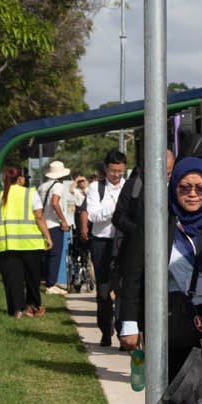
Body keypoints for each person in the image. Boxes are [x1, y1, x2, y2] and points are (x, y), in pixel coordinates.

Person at [118, 156, 202, 404]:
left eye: (200, 188)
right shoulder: (156, 220)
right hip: (171, 323)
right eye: (184, 187)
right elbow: (133, 273)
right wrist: (128, 323)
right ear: (173, 187)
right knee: (178, 403)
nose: (192, 194)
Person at [113, 148, 175, 351]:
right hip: (136, 251)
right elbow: (118, 217)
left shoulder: (178, 189)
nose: (166, 177)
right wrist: (139, 231)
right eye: (162, 173)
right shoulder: (134, 186)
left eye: (169, 172)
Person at [0, 165, 52, 318]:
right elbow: (39, 217)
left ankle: (17, 310)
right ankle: (34, 306)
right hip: (30, 243)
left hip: (6, 244)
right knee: (33, 277)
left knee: (12, 279)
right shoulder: (30, 193)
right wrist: (48, 237)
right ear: (20, 179)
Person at [85, 149, 128, 347]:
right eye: (113, 171)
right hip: (101, 242)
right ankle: (105, 330)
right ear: (106, 169)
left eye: (120, 171)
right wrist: (115, 205)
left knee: (122, 289)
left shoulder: (128, 187)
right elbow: (93, 215)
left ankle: (123, 333)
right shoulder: (96, 188)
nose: (116, 175)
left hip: (123, 242)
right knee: (103, 290)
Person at [38, 160, 73, 297]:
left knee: (46, 255)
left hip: (42, 225)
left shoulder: (42, 186)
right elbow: (55, 202)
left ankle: (47, 281)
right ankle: (51, 284)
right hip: (53, 224)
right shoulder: (58, 185)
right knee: (55, 255)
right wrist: (63, 220)